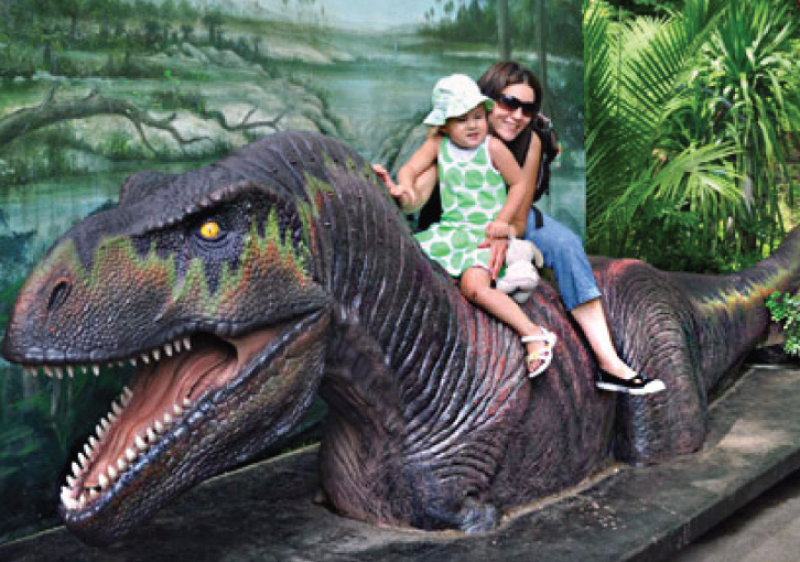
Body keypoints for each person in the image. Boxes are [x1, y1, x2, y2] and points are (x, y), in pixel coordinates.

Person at [379, 62, 665, 396]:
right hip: (455, 226)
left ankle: (609, 362)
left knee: (565, 243)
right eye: (508, 103)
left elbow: (518, 206)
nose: (516, 115)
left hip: (507, 219)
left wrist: (501, 236)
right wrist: (400, 192)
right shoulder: (444, 141)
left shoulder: (528, 142)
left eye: (527, 108)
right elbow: (417, 192)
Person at [379, 73, 557, 378]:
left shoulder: (492, 148)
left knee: (474, 288)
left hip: (483, 234)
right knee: (405, 263)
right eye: (462, 120)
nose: (473, 125)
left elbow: (517, 184)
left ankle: (534, 335)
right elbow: (409, 169)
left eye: (477, 116)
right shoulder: (439, 145)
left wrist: (502, 222)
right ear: (445, 125)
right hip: (450, 231)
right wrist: (403, 188)